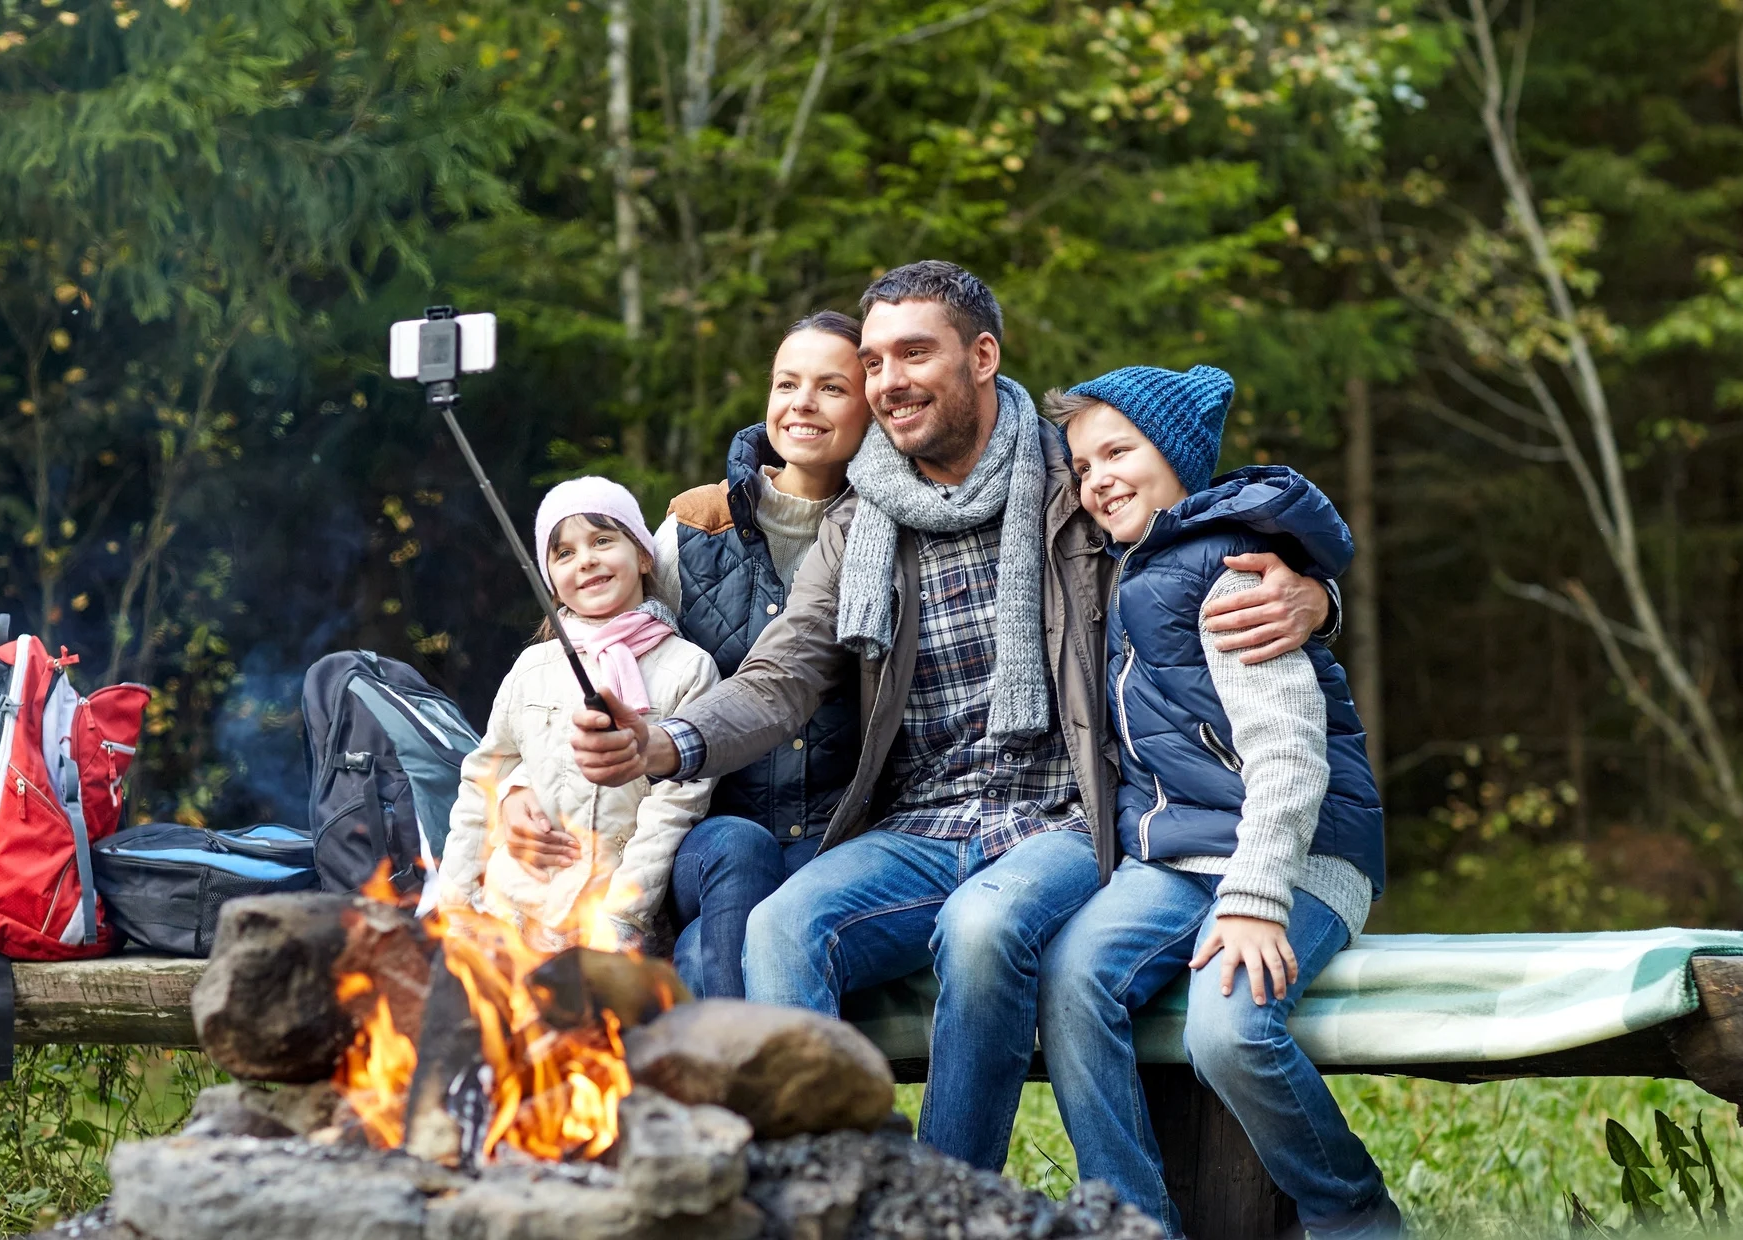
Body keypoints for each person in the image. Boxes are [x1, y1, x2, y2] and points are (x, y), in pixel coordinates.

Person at [569, 260, 1341, 1170]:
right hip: (923, 821)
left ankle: (946, 1199)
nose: (889, 379)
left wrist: (1315, 590)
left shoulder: (1073, 479)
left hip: (1070, 814)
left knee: (979, 932)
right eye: (876, 360)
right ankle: (842, 1187)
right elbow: (781, 674)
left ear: (981, 356)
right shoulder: (861, 525)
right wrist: (668, 740)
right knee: (782, 925)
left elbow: (1205, 526)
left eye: (914, 353)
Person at [1041, 367, 1396, 1237]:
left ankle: (1353, 1217)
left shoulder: (1233, 577)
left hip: (1296, 857)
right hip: (1177, 859)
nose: (1099, 479)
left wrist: (1252, 899)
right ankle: (1131, 1221)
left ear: (1179, 456)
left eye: (1120, 451)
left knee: (1229, 1033)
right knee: (1071, 980)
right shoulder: (1132, 569)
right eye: (1083, 466)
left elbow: (1287, 758)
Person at [495, 311, 873, 997]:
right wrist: (513, 789)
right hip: (703, 837)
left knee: (703, 961)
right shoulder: (697, 526)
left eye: (831, 387)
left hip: (837, 838)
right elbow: (588, 651)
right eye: (786, 383)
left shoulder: (889, 534)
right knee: (734, 850)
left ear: (871, 404)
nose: (802, 404)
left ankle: (730, 1090)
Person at [436, 477, 718, 952]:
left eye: (603, 540)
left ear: (644, 556)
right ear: (550, 580)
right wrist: (455, 906)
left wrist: (624, 916)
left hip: (605, 920)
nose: (585, 559)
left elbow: (676, 805)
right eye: (563, 553)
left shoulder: (690, 668)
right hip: (510, 913)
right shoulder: (533, 666)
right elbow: (482, 781)